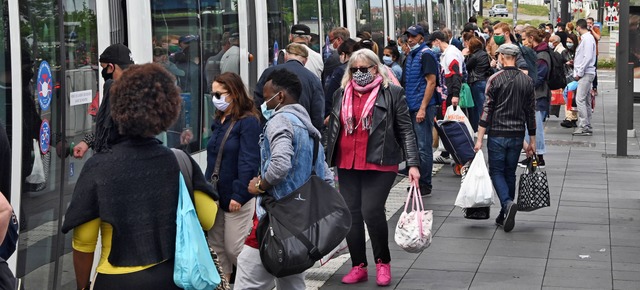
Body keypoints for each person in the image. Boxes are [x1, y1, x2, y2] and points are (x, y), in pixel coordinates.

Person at [61, 63, 218, 289]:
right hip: (172, 277)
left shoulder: (98, 167)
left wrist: (83, 286)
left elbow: (84, 241)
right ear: (167, 109)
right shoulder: (177, 161)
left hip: (116, 281)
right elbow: (207, 218)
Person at [325, 49, 420, 286]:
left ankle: (382, 262)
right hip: (347, 162)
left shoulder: (393, 93)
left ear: (375, 69)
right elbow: (334, 128)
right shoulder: (341, 93)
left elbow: (406, 130)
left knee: (371, 210)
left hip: (380, 161)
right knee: (351, 215)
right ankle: (359, 266)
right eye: (354, 70)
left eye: (363, 69)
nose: (358, 74)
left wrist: (413, 164)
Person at [236, 69, 333, 290]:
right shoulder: (311, 130)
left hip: (273, 218)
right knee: (291, 280)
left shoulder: (279, 122)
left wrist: (260, 185)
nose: (262, 102)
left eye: (265, 97)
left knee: (248, 278)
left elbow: (279, 164)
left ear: (280, 97)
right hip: (299, 220)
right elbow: (325, 176)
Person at [474, 43, 536, 233]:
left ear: (501, 57)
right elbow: (530, 113)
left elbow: (487, 111)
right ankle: (503, 214)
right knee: (509, 173)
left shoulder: (494, 79)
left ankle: (508, 204)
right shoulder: (527, 81)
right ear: (516, 58)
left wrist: (479, 138)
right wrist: (531, 141)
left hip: (497, 134)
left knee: (496, 172)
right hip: (517, 135)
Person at [205, 72, 260, 282]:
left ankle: (258, 282)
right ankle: (226, 285)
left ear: (233, 94)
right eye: (213, 94)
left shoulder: (248, 122)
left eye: (219, 94)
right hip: (216, 195)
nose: (215, 99)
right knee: (217, 248)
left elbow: (249, 160)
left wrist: (239, 194)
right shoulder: (220, 120)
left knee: (234, 248)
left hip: (237, 197)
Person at [73, 43, 134, 158]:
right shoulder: (141, 88)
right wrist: (87, 141)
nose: (102, 73)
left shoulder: (118, 92)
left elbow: (110, 132)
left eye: (103, 67)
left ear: (111, 67)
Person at [401, 24, 438, 196]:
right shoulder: (412, 55)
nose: (410, 39)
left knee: (423, 146)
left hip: (421, 107)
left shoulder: (426, 55)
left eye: (414, 36)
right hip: (412, 105)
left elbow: (431, 82)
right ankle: (418, 182)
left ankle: (425, 184)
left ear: (421, 38)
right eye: (408, 36)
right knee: (416, 145)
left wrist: (423, 108)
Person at [255, 43, 325, 131]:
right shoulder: (314, 79)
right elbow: (318, 113)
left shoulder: (268, 72)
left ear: (286, 56)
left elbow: (257, 101)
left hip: (271, 128)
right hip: (302, 130)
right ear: (306, 60)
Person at [519, 27, 550, 168]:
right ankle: (533, 156)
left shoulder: (542, 55)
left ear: (532, 38)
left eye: (525, 39)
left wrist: (526, 80)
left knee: (535, 128)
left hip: (538, 96)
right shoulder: (536, 54)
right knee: (531, 127)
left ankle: (538, 157)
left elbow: (538, 77)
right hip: (535, 95)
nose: (523, 42)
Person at [572, 19, 597, 136]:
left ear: (578, 27)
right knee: (585, 99)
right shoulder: (588, 38)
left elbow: (587, 57)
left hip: (585, 73)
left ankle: (583, 125)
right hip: (588, 72)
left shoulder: (587, 39)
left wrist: (579, 72)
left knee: (580, 99)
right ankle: (587, 124)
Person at [463, 33, 491, 132]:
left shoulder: (473, 57)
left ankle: (477, 128)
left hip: (475, 82)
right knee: (483, 106)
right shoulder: (485, 54)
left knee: (476, 107)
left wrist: (465, 56)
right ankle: (485, 128)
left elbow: (466, 67)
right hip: (484, 81)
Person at [324, 39, 358, 120]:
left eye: (340, 54)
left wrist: (327, 114)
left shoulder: (340, 71)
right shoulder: (366, 67)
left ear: (344, 54)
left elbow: (332, 94)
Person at [560, 33, 579, 128]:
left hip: (576, 77)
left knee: (573, 98)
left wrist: (574, 63)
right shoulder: (564, 52)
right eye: (567, 42)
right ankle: (569, 117)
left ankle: (572, 118)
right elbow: (561, 63)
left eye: (570, 42)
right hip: (567, 77)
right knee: (568, 97)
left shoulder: (578, 52)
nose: (568, 44)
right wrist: (566, 63)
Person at [586, 17, 601, 97]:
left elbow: (598, 37)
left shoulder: (595, 29)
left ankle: (594, 87)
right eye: (587, 23)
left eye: (590, 23)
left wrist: (592, 30)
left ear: (592, 23)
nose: (588, 24)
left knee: (594, 70)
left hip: (594, 54)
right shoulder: (584, 30)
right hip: (585, 54)